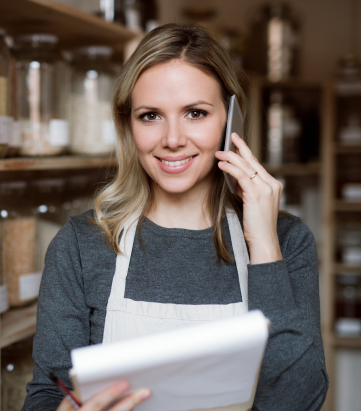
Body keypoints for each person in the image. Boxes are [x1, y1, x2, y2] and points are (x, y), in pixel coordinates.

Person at [22, 23, 328, 411]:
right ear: (128, 126)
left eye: (195, 113)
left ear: (230, 121)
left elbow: (298, 402)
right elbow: (46, 395)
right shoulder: (80, 246)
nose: (172, 138)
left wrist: (264, 244)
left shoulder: (286, 241)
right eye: (150, 116)